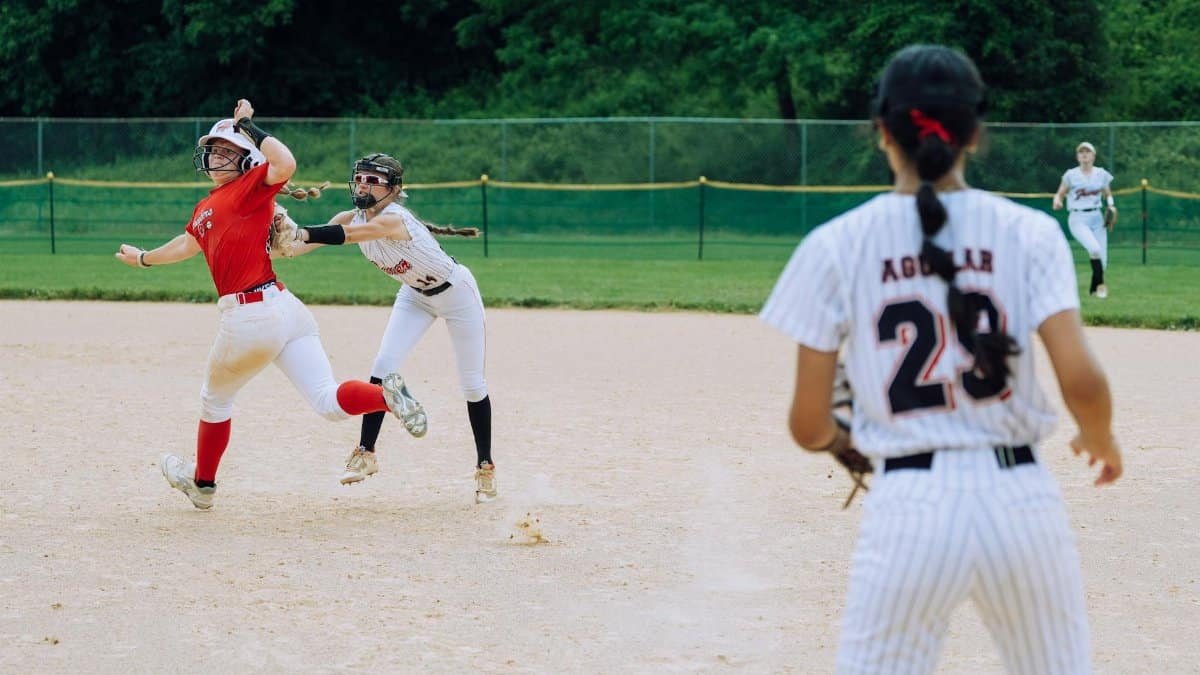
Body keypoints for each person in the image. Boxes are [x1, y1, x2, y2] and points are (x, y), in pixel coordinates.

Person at [760, 45, 1123, 673]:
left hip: (909, 506)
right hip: (1021, 501)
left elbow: (807, 423)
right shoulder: (1028, 231)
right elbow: (1081, 379)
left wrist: (842, 438)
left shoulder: (835, 245)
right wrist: (1100, 435)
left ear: (881, 133)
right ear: (975, 136)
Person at [114, 100, 428, 510]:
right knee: (327, 400)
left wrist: (246, 124)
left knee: (215, 400)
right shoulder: (209, 205)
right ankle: (385, 398)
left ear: (247, 162)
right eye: (214, 150)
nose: (215, 156)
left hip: (250, 316)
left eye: (227, 151)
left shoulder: (251, 187)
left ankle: (203, 484)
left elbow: (285, 164)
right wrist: (143, 258)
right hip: (285, 309)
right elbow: (186, 244)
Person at [279, 153, 496, 503]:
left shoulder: (393, 220)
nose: (363, 185)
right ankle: (366, 453)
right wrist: (270, 243)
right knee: (382, 367)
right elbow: (298, 247)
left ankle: (485, 466)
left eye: (373, 180)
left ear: (394, 190)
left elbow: (346, 236)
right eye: (360, 178)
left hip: (457, 295)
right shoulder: (351, 217)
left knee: (472, 384)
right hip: (414, 295)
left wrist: (301, 230)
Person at [1052, 141, 1117, 298]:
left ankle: (1093, 290)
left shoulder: (1101, 174)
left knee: (1103, 261)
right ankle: (1100, 289)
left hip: (1097, 217)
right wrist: (1057, 200)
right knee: (1094, 249)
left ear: (1093, 156)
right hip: (1078, 217)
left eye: (1087, 152)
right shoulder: (1071, 175)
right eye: (1081, 152)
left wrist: (1111, 205)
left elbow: (1107, 193)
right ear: (1077, 156)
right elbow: (1060, 193)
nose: (1084, 154)